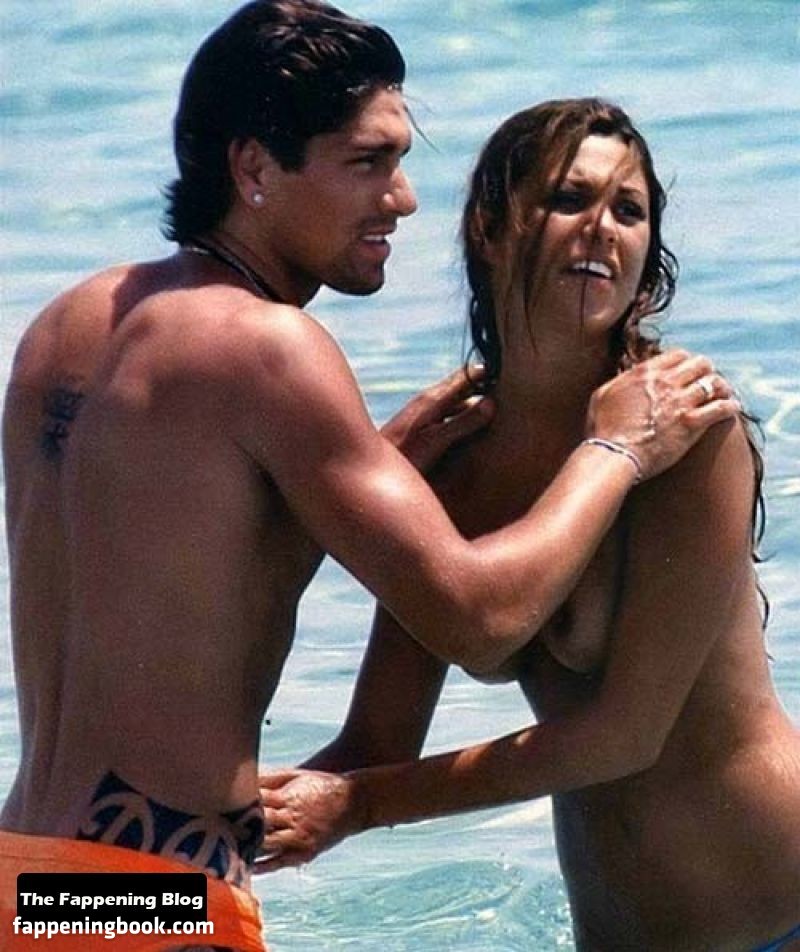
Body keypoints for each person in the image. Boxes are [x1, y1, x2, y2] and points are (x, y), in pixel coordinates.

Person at [0, 0, 733, 945]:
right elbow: (482, 618)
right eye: (367, 162)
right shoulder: (270, 348)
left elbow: (178, 578)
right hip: (155, 902)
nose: (402, 198)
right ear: (254, 168)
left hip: (26, 874)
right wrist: (615, 449)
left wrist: (372, 458)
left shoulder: (69, 324)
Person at [257, 99, 800, 951]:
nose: (602, 230)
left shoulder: (685, 432)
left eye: (629, 211)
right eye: (569, 200)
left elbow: (625, 734)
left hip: (772, 912)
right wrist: (188, 831)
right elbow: (379, 739)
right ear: (490, 228)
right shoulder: (453, 464)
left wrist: (361, 805)